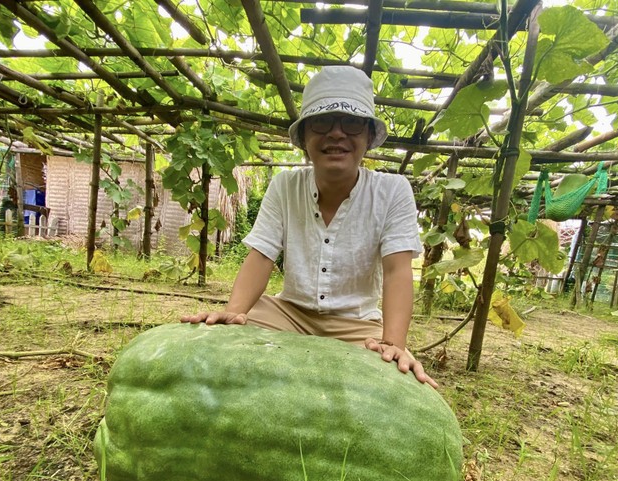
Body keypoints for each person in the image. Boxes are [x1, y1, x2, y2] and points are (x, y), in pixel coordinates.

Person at [181, 65, 436, 388]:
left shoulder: (393, 191)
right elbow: (261, 256)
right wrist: (235, 312)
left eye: (353, 123)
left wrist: (394, 343)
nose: (337, 133)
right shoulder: (284, 185)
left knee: (390, 379)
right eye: (321, 122)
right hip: (287, 313)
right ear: (304, 138)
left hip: (355, 324)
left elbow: (398, 271)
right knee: (221, 343)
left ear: (369, 137)